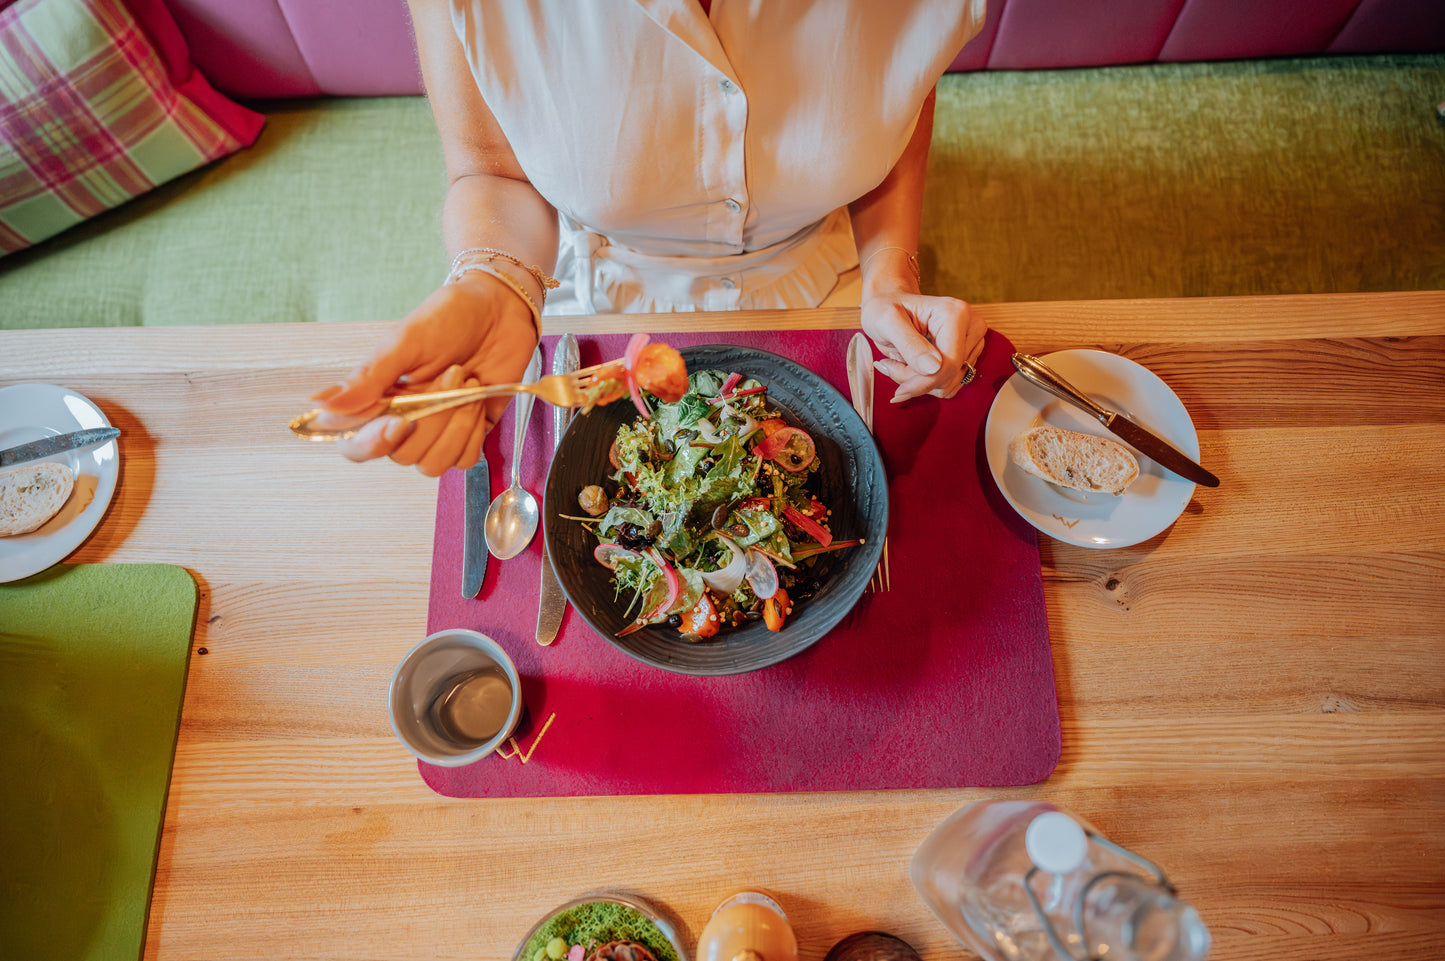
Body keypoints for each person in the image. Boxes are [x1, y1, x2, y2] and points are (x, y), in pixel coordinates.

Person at [313, 0, 990, 476]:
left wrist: (891, 272)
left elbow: (894, 93)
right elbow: (492, 172)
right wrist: (496, 280)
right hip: (591, 301)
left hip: (829, 285)